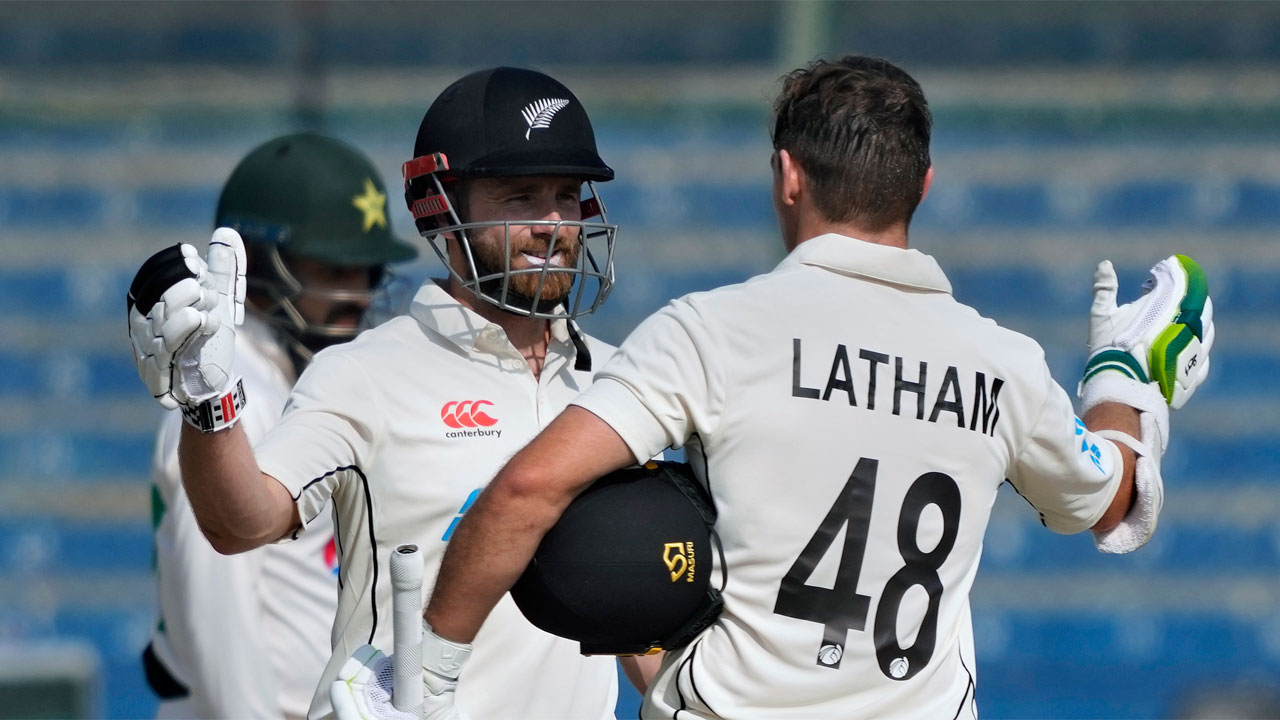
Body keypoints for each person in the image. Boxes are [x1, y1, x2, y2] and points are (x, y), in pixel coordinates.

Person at [409, 55, 1216, 719]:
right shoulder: (1003, 363)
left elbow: (527, 488)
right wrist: (1124, 374)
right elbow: (1111, 498)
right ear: (923, 185)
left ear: (788, 175)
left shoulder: (712, 331)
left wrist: (427, 679)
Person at [126, 67, 658, 720]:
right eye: (520, 196)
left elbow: (633, 619)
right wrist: (207, 402)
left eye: (567, 195)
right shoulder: (364, 375)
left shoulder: (619, 379)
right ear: (442, 208)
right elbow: (242, 522)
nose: (552, 223)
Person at [137, 132, 418, 719]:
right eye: (333, 266)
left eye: (367, 269)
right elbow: (219, 617)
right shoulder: (229, 391)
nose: (358, 292)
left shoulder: (296, 377)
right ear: (259, 263)